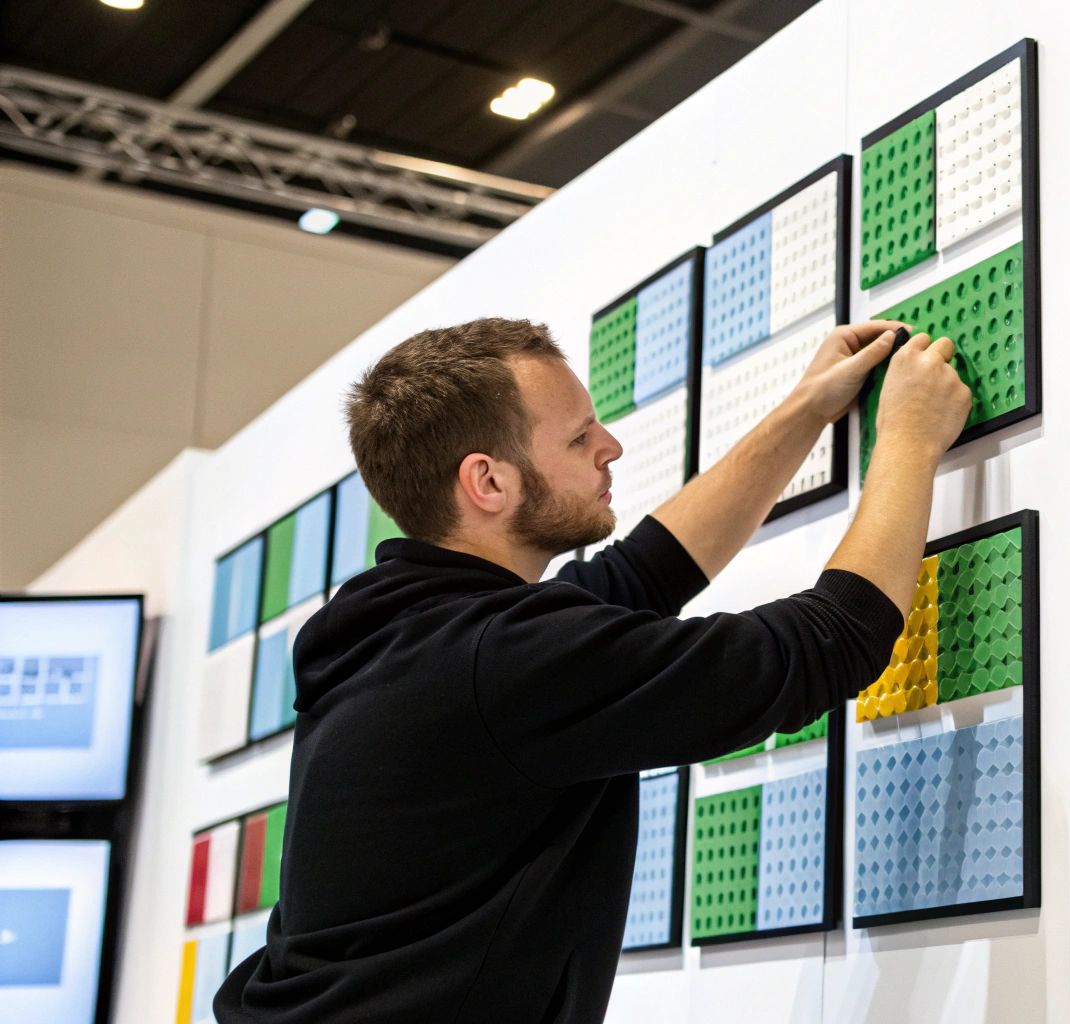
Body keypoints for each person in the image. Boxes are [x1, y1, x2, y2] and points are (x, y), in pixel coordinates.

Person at [213, 316, 972, 1022]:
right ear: (489, 483)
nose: (611, 445)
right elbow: (827, 643)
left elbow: (645, 574)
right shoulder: (498, 661)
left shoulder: (412, 632)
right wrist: (907, 440)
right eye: (579, 439)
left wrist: (805, 409)